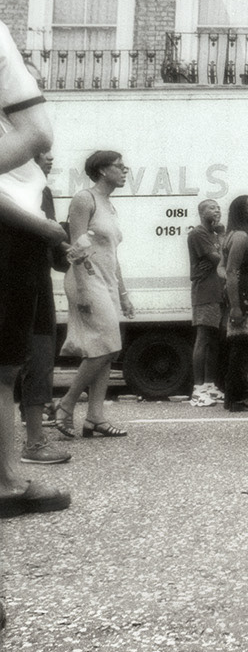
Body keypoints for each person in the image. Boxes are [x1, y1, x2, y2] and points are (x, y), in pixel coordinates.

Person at [0, 24, 71, 516]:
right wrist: (45, 229)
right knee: (4, 369)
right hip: (14, 236)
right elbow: (38, 130)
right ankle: (4, 480)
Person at [54, 150, 135, 440]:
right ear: (102, 170)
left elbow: (112, 254)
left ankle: (95, 418)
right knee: (108, 343)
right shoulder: (84, 199)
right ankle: (65, 405)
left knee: (108, 348)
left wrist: (123, 293)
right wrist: (84, 291)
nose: (125, 170)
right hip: (85, 279)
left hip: (107, 281)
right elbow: (76, 248)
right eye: (119, 166)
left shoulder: (109, 206)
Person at [18, 150, 72, 464]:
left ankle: (35, 441)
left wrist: (66, 250)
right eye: (39, 154)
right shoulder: (10, 189)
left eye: (50, 153)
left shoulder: (44, 191)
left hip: (37, 280)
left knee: (39, 358)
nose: (49, 157)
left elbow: (50, 242)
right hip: (14, 277)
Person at [222, 194, 248, 412]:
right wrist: (236, 304)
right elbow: (230, 271)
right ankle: (235, 399)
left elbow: (222, 268)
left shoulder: (235, 236)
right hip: (243, 296)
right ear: (241, 213)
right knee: (242, 348)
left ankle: (237, 397)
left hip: (246, 293)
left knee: (244, 348)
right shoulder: (239, 237)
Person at [188, 199, 226, 406]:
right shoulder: (199, 234)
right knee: (203, 338)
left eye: (219, 208)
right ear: (201, 213)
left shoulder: (212, 234)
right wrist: (221, 236)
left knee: (213, 340)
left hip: (217, 291)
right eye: (212, 208)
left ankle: (210, 385)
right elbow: (220, 259)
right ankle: (198, 388)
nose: (217, 211)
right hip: (205, 292)